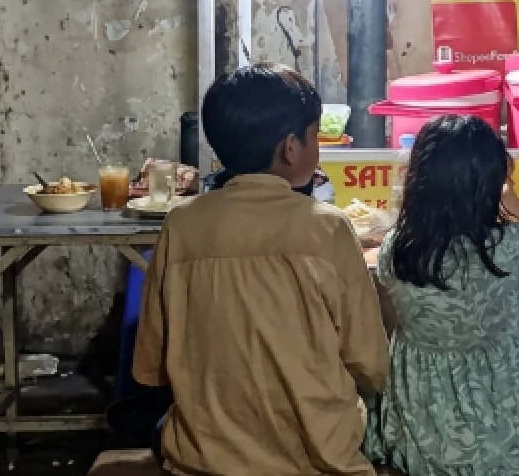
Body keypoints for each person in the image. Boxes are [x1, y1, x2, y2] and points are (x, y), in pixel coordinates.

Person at [133, 63, 388, 475]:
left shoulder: (180, 225)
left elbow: (151, 366)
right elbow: (370, 363)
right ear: (291, 148)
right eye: (314, 136)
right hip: (317, 463)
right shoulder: (328, 228)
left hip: (204, 462)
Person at [363, 114, 519, 476]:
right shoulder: (509, 243)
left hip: (424, 391)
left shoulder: (397, 246)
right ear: (491, 180)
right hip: (501, 384)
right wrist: (514, 204)